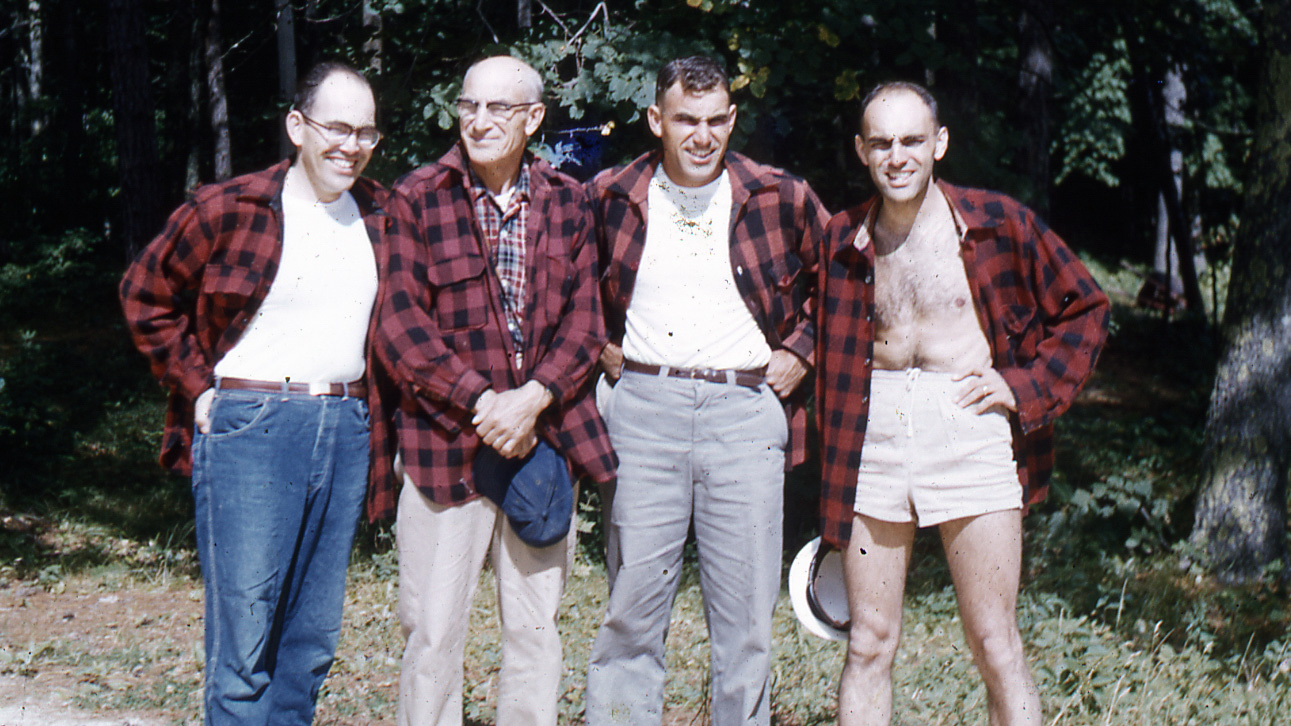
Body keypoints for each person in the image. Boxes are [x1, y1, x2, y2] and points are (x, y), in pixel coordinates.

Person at [814, 81, 1110, 725]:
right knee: (868, 642)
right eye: (883, 143)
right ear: (862, 151)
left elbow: (1086, 307)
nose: (898, 156)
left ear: (939, 143)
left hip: (969, 420)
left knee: (995, 641)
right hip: (874, 434)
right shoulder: (841, 240)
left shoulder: (996, 222)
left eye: (913, 141)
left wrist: (1024, 387)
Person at [118, 62, 388, 724]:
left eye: (366, 133)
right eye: (336, 128)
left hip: (346, 427)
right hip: (253, 429)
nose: (350, 146)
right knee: (244, 640)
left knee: (311, 641)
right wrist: (195, 387)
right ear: (297, 126)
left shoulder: (381, 214)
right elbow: (143, 292)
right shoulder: (229, 208)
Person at [371, 55, 616, 726]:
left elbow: (585, 321)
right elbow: (399, 324)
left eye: (497, 109)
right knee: (431, 632)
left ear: (534, 118)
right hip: (442, 445)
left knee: (535, 633)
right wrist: (484, 403)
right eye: (468, 105)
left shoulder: (568, 200)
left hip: (542, 445)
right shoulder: (416, 196)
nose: (478, 121)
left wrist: (533, 398)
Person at [585, 55, 829, 725]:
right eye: (685, 120)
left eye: (715, 120)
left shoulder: (778, 195)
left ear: (731, 119)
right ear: (655, 120)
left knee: (745, 620)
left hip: (744, 413)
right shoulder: (610, 194)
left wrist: (801, 353)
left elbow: (844, 280)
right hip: (642, 411)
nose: (701, 135)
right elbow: (573, 286)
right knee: (631, 608)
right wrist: (597, 341)